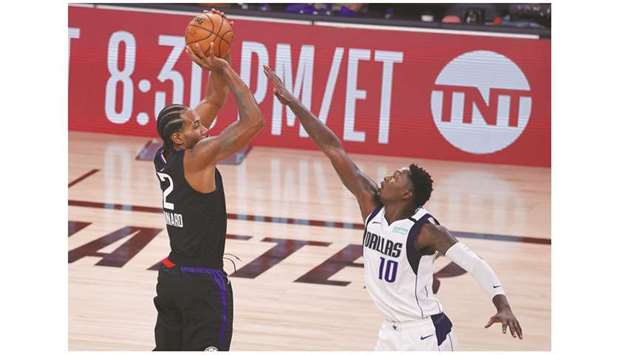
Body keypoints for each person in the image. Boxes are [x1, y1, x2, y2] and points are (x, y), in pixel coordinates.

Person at [263, 66, 522, 351]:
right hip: (390, 331)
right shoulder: (371, 206)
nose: (387, 177)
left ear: (408, 194)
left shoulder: (426, 231)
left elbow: (474, 264)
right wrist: (293, 103)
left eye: (396, 177)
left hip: (425, 334)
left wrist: (503, 305)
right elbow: (332, 148)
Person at [152, 12, 264, 350]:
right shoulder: (197, 156)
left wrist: (219, 55)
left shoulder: (165, 156)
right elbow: (253, 121)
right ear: (178, 138)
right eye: (194, 125)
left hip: (171, 276)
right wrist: (228, 69)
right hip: (201, 282)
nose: (202, 126)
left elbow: (215, 100)